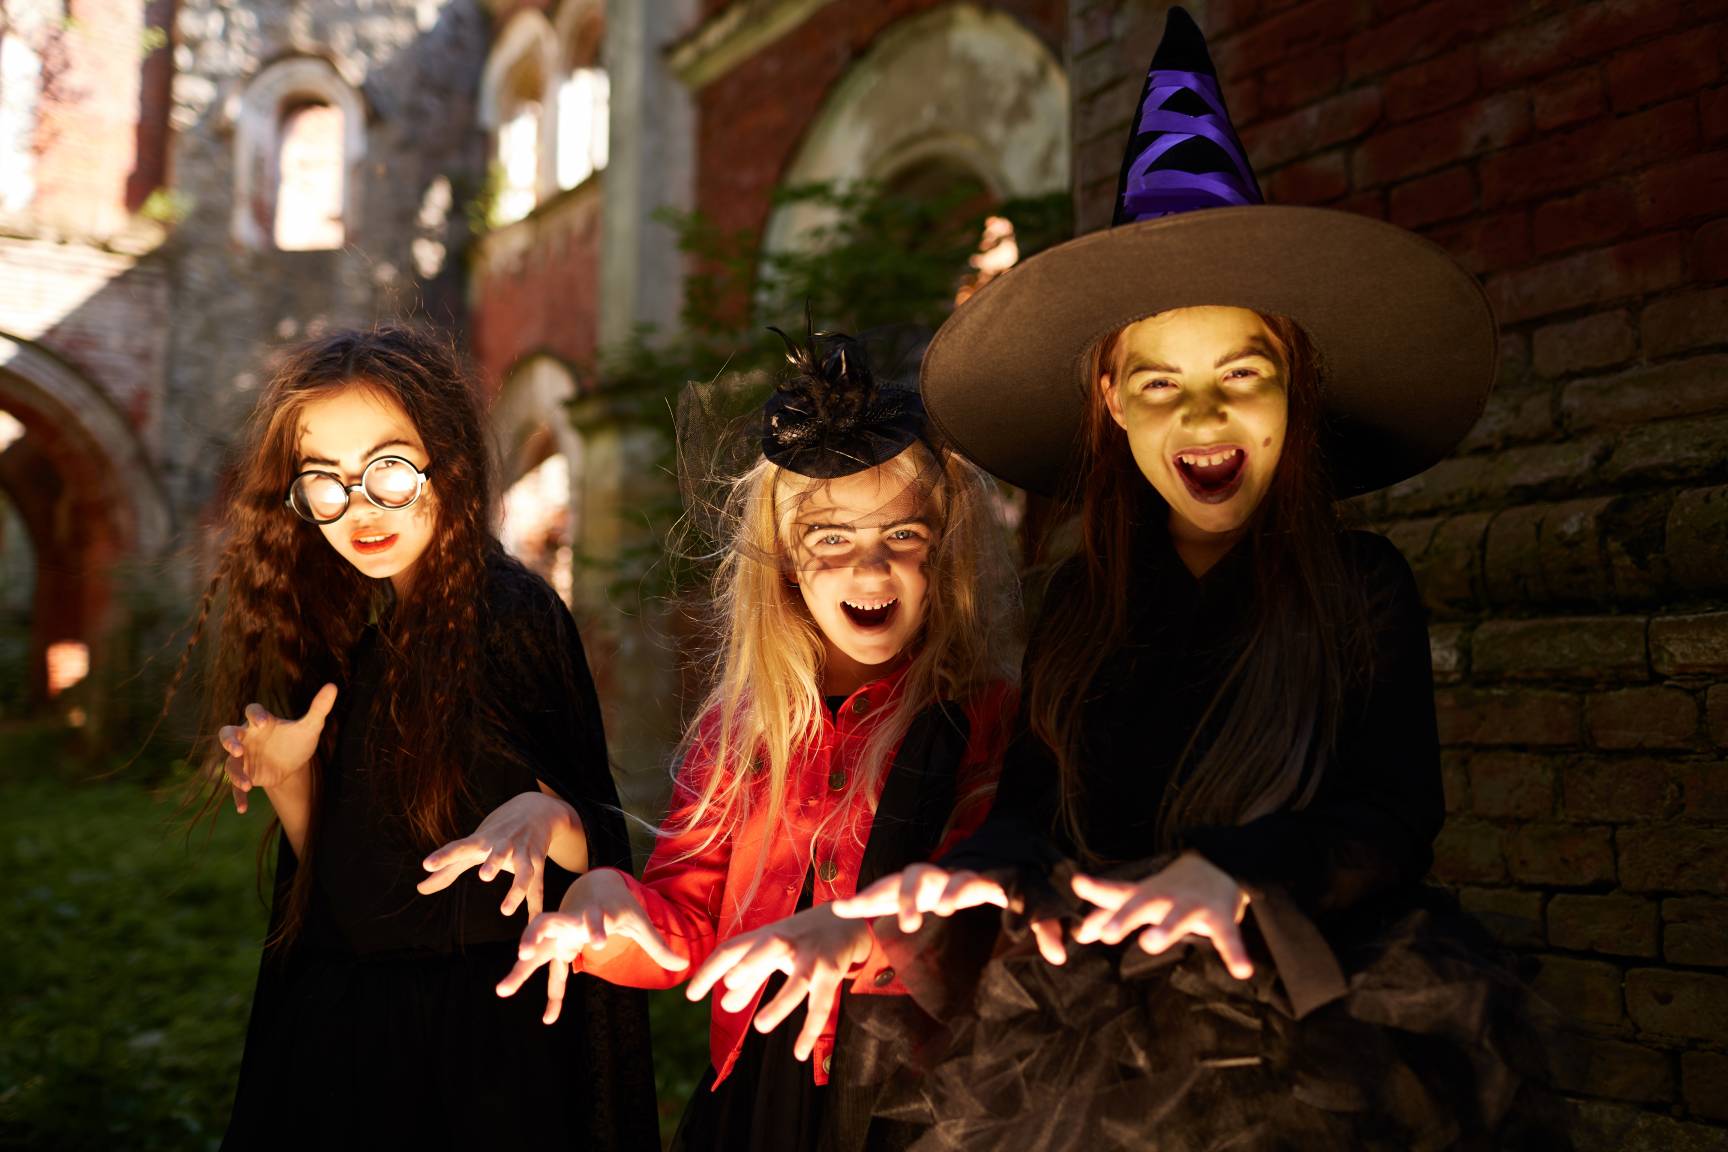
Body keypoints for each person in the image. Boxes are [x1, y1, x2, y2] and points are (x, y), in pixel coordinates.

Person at [833, 10, 1567, 1149]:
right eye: (1161, 384)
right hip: (1085, 1036)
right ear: (1112, 405)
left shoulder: (1359, 585)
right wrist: (979, 871)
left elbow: (1392, 817)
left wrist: (1234, 870)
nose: (1206, 416)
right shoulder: (1083, 601)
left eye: (1243, 372)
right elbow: (1037, 810)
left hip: (1313, 1024)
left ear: (1296, 392)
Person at [479, 320, 1019, 1151]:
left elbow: (989, 906)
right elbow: (686, 925)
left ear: (941, 553)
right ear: (788, 563)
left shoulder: (981, 716)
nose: (868, 571)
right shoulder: (740, 734)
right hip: (760, 1095)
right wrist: (608, 911)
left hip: (920, 1103)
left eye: (900, 539)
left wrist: (862, 936)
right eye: (831, 540)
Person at [168, 326, 657, 1150]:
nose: (359, 508)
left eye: (388, 470)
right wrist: (291, 778)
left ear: (448, 461)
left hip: (482, 1042)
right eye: (324, 482)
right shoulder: (352, 635)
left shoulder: (510, 613)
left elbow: (599, 846)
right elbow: (343, 889)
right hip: (350, 1038)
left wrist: (551, 822)